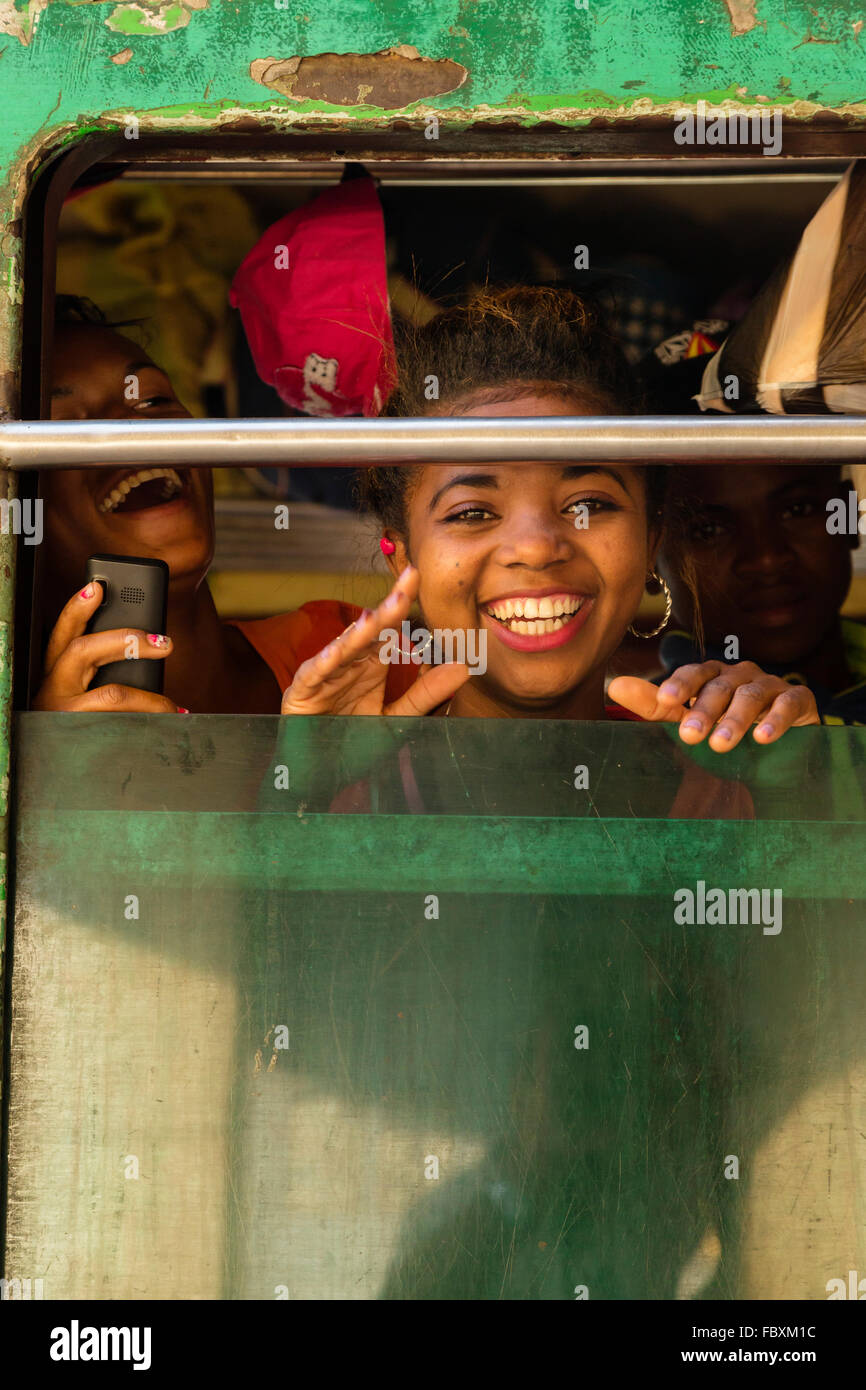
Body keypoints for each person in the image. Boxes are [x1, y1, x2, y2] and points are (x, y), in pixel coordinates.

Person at [280, 287, 819, 751]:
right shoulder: (342, 777)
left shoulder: (715, 765)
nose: (536, 547)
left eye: (588, 505)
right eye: (472, 513)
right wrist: (306, 807)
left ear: (651, 537)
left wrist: (788, 793)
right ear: (403, 556)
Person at [34, 296, 416, 713]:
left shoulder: (348, 650)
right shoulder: (25, 752)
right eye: (65, 425)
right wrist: (53, 755)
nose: (136, 428)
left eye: (154, 400)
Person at [656, 463, 866, 725]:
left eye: (797, 510)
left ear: (848, 516)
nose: (766, 560)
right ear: (648, 557)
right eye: (708, 530)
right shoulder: (645, 732)